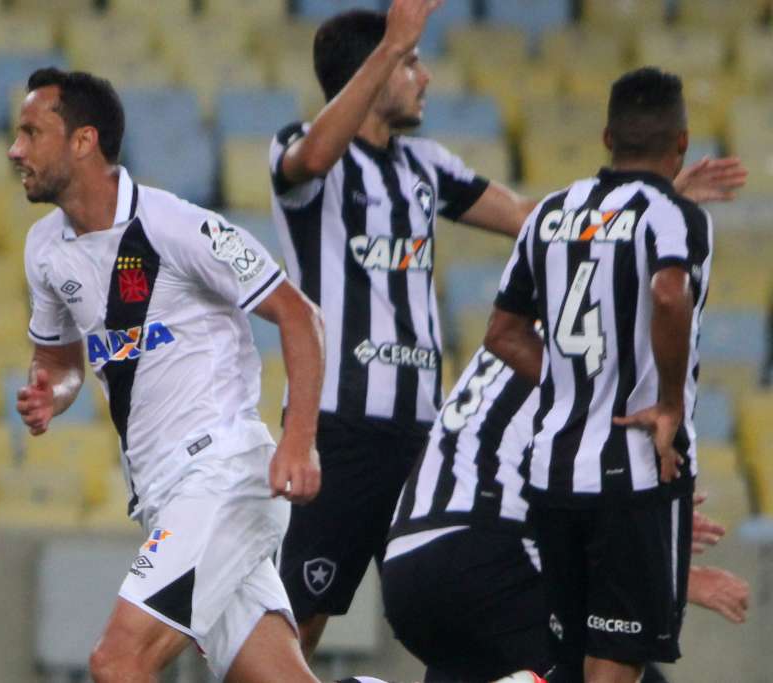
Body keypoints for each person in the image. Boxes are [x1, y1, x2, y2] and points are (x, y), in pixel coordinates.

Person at [268, 0, 748, 658]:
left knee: (445, 608)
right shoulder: (300, 150)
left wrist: (649, 199)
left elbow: (531, 216)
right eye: (411, 64)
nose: (424, 77)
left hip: (418, 432)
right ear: (372, 71)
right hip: (339, 426)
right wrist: (391, 43)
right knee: (299, 619)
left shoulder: (424, 164)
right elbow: (315, 158)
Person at [8, 67, 327, 682]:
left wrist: (298, 440)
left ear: (83, 140)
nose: (15, 149)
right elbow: (59, 361)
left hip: (222, 473)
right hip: (164, 495)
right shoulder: (44, 250)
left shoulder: (178, 226)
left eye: (31, 132)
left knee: (117, 662)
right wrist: (53, 393)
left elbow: (300, 316)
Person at [485, 67, 715, 683]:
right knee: (617, 662)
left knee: (568, 662)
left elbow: (502, 334)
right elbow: (669, 294)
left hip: (553, 474)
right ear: (682, 142)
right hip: (634, 475)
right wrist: (669, 404)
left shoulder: (548, 213)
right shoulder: (675, 215)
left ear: (608, 138)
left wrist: (575, 387)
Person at [382, 342, 749, 683]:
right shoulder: (604, 343)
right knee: (619, 668)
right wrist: (669, 570)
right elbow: (583, 505)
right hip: (485, 552)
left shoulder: (531, 331)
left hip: (406, 569)